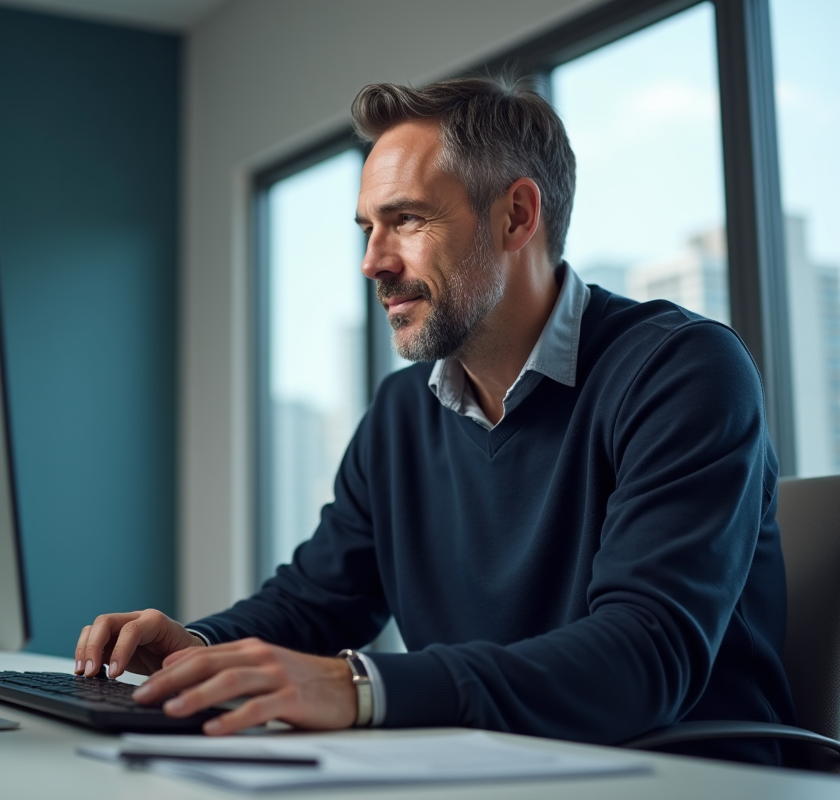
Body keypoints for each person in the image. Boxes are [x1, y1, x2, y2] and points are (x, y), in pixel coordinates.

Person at [74, 75, 795, 764]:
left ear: (516, 215)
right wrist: (196, 646)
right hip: (493, 775)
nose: (372, 262)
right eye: (367, 228)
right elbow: (317, 602)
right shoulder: (401, 412)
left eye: (407, 220)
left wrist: (361, 686)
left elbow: (642, 657)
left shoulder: (683, 372)